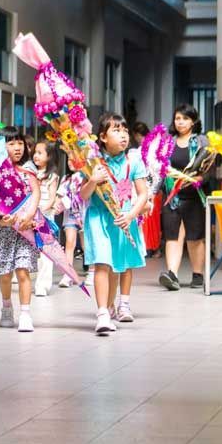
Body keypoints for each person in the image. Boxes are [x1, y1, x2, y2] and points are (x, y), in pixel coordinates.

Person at [81, 114, 148, 335]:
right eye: (117, 130)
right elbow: (83, 195)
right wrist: (92, 180)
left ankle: (113, 306)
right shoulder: (92, 161)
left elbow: (142, 194)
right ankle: (101, 314)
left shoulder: (134, 161)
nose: (123, 135)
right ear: (102, 137)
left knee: (117, 265)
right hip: (98, 217)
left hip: (123, 218)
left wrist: (130, 216)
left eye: (125, 131)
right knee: (102, 262)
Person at [0, 126, 41, 332]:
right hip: (5, 231)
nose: (17, 147)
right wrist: (1, 219)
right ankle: (7, 307)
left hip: (26, 230)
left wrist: (29, 216)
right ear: (1, 147)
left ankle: (25, 314)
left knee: (23, 271)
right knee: (6, 274)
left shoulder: (29, 169)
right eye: (11, 143)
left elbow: (36, 193)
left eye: (20, 143)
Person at [159, 104, 211, 291]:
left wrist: (201, 178)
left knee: (195, 237)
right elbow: (160, 169)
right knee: (172, 236)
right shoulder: (168, 142)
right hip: (172, 196)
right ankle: (172, 274)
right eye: (177, 118)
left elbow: (210, 168)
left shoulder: (202, 142)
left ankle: (198, 274)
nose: (180, 122)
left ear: (193, 121)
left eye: (185, 118)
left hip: (194, 196)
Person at [32, 141, 60, 297]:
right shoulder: (30, 172)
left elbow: (51, 198)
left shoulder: (52, 176)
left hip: (45, 218)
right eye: (35, 152)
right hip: (30, 216)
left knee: (46, 252)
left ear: (49, 157)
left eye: (40, 153)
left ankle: (43, 285)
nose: (36, 155)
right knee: (30, 250)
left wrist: (41, 210)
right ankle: (27, 280)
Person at [131, 122, 162, 257]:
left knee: (149, 219)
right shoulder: (140, 151)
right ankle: (150, 247)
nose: (137, 138)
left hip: (150, 187)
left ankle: (151, 247)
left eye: (137, 135)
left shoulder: (148, 150)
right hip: (148, 187)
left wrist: (153, 189)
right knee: (148, 220)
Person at [57, 170, 88, 288]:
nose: (71, 161)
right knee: (69, 243)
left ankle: (91, 271)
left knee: (86, 245)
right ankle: (68, 274)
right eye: (69, 159)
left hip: (84, 214)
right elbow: (59, 197)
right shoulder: (66, 179)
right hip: (69, 215)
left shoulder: (87, 176)